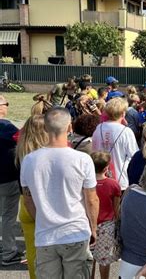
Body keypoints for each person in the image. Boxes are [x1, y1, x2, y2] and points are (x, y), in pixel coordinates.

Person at [20, 107, 99, 278]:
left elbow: (28, 200)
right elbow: (91, 199)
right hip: (75, 232)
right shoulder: (82, 159)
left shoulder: (29, 160)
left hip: (45, 236)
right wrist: (93, 228)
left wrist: (42, 219)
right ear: (70, 127)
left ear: (46, 128)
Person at [15, 115, 49, 277]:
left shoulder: (20, 153)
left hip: (25, 203)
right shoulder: (45, 156)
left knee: (32, 250)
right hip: (43, 203)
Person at [92, 97, 139, 190]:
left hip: (100, 177)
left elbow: (94, 150)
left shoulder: (98, 128)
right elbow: (134, 155)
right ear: (123, 113)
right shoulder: (126, 131)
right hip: (120, 179)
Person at [0, 94, 23, 266]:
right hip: (7, 178)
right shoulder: (6, 127)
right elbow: (23, 142)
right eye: (5, 104)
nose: (6, 106)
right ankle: (9, 251)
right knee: (8, 216)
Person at [91, 152, 121, 279]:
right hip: (107, 225)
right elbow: (116, 208)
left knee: (89, 257)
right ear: (106, 168)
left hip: (89, 223)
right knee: (104, 258)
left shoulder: (86, 183)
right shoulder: (113, 184)